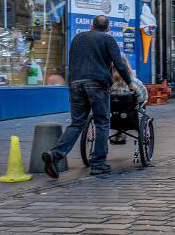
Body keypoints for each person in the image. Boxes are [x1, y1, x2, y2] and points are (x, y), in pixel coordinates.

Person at [43, 14, 135, 178]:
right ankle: (98, 164)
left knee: (77, 123)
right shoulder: (108, 39)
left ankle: (55, 154)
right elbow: (120, 65)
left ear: (91, 26)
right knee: (102, 122)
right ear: (107, 28)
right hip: (97, 84)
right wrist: (130, 83)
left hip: (75, 84)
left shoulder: (78, 38)